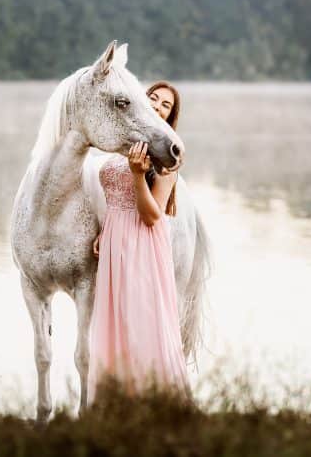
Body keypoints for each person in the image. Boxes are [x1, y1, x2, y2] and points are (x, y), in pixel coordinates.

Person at [86, 81, 191, 405]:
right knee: (114, 319)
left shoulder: (169, 154)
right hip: (115, 240)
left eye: (165, 106)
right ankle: (117, 404)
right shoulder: (126, 141)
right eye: (153, 99)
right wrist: (105, 232)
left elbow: (151, 216)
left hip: (142, 243)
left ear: (171, 116)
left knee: (141, 319)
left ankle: (153, 403)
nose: (158, 107)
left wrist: (136, 175)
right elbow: (114, 198)